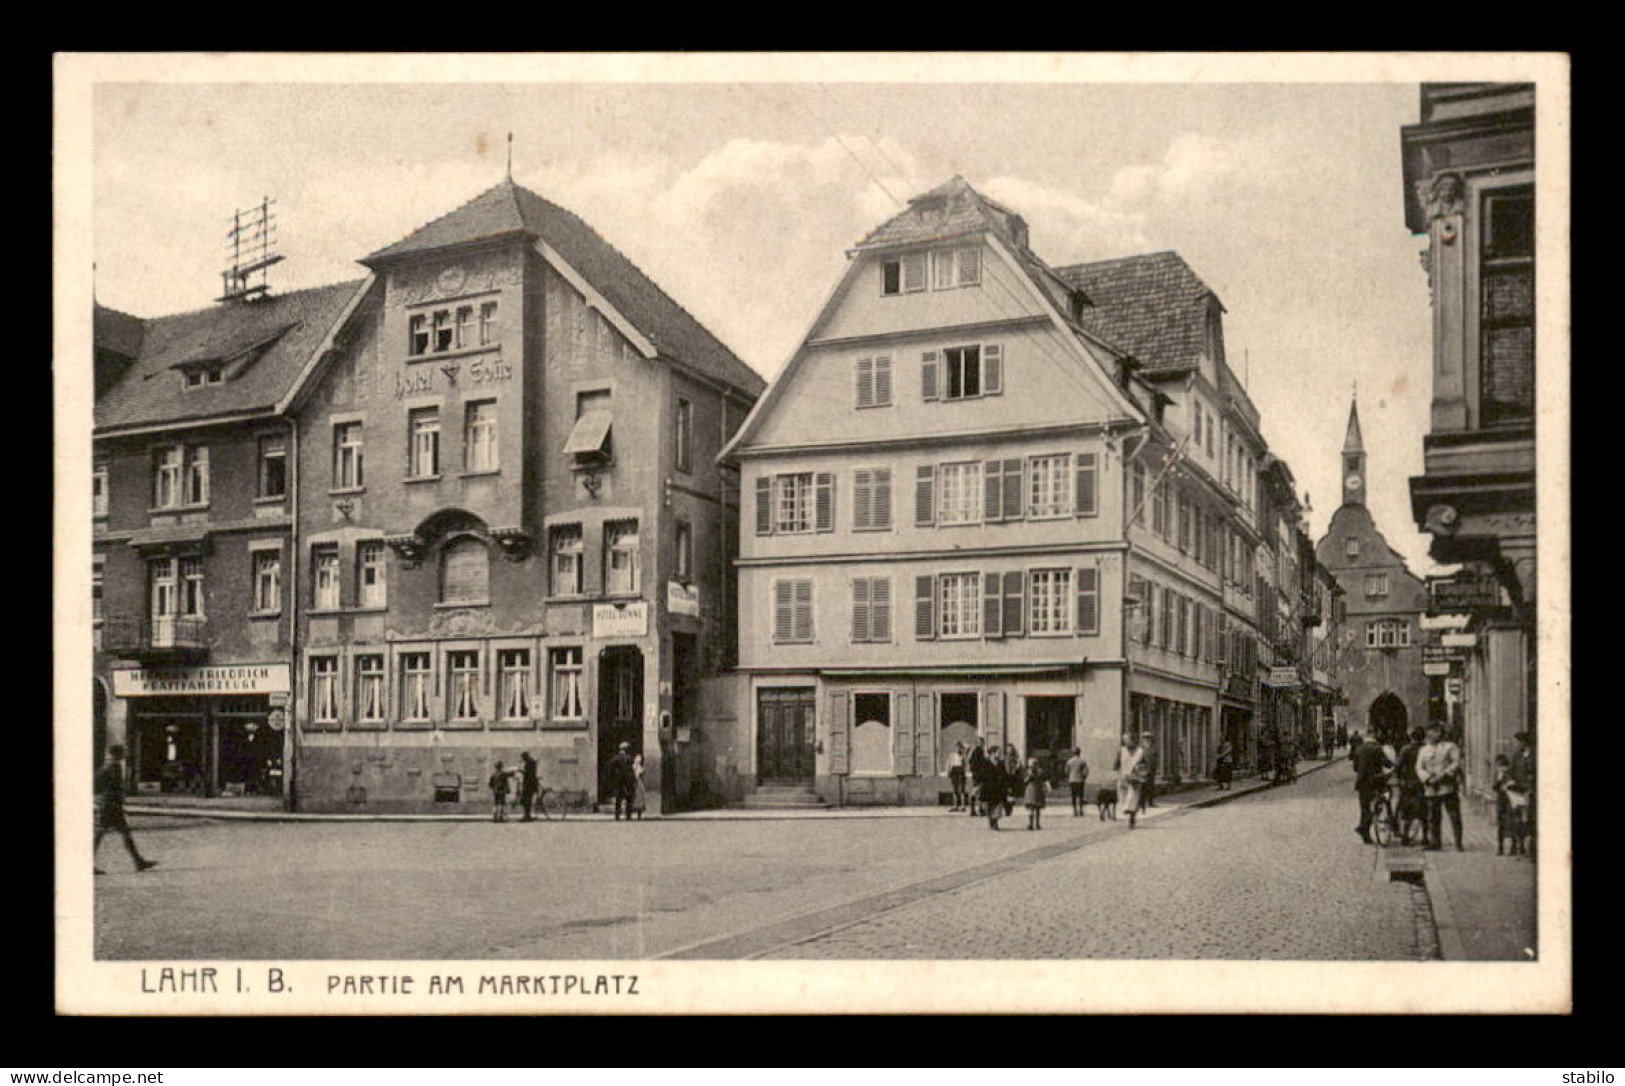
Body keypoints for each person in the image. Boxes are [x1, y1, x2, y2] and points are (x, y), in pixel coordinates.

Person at [94, 745, 157, 874]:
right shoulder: (114, 767)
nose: (126, 754)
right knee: (101, 834)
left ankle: (138, 861)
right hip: (110, 806)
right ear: (118, 754)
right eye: (123, 752)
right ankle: (138, 861)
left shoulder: (109, 766)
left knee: (122, 833)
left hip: (111, 805)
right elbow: (109, 786)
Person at [1416, 722, 1464, 851]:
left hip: (1447, 786)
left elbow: (1456, 763)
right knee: (1433, 816)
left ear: (1440, 732)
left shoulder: (1450, 747)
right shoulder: (1424, 749)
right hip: (1431, 787)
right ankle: (1435, 842)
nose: (1430, 734)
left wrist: (1443, 775)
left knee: (1454, 815)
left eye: (1433, 731)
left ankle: (1458, 842)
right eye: (1429, 732)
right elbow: (1419, 767)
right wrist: (1427, 777)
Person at [1352, 733, 1392, 844]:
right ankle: (1383, 817)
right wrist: (1393, 765)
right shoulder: (1377, 748)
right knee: (1384, 798)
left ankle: (1365, 832)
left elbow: (1355, 768)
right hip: (1376, 781)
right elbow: (1386, 763)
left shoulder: (1359, 749)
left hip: (1362, 783)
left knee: (1364, 807)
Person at [1396, 728, 1426, 845]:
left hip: (1408, 784)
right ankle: (1425, 837)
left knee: (1407, 810)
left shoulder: (1406, 749)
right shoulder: (1425, 749)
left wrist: (1399, 778)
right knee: (1424, 809)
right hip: (1423, 783)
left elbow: (1399, 766)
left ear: (1412, 737)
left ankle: (1405, 836)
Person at [1116, 733, 1150, 830]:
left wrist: (1141, 771)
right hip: (1123, 778)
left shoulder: (1140, 752)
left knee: (1132, 799)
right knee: (1123, 799)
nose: (1126, 742)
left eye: (1128, 740)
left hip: (1135, 779)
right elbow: (1116, 765)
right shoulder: (1121, 751)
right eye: (1124, 740)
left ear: (1133, 740)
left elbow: (1145, 766)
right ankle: (1130, 817)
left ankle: (1131, 818)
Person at [1510, 731, 1536, 855]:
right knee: (1517, 818)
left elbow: (1533, 771)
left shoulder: (1533, 755)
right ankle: (1518, 845)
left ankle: (1530, 845)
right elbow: (1512, 771)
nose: (1515, 744)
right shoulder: (1516, 756)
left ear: (1524, 742)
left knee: (1528, 818)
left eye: (1517, 742)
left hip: (1530, 790)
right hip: (1517, 791)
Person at [978, 747, 1008, 831]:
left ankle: (995, 823)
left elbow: (1005, 776)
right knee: (989, 806)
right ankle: (991, 820)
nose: (999, 754)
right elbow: (981, 776)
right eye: (998, 752)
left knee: (998, 806)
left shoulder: (1001, 764)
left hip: (998, 788)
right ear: (992, 753)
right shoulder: (986, 763)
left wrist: (1006, 786)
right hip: (988, 789)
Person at [608, 741, 636, 821]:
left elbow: (610, 772)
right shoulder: (629, 759)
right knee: (629, 799)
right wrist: (633, 780)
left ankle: (617, 816)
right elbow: (631, 771)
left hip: (618, 783)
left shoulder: (615, 759)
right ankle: (628, 816)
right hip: (627, 783)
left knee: (618, 800)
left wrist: (612, 781)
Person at [1023, 757, 1048, 830]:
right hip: (1038, 790)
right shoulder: (1040, 771)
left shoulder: (1028, 772)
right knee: (1037, 808)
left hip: (1030, 790)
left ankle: (1031, 824)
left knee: (1031, 808)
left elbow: (1025, 781)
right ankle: (1037, 824)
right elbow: (1044, 780)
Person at [1063, 747, 1090, 816]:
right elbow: (1086, 772)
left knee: (1073, 796)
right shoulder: (1082, 761)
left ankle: (1074, 811)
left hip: (1072, 780)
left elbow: (1066, 772)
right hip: (1080, 780)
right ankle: (1081, 810)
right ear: (1079, 753)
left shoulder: (1069, 761)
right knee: (1081, 796)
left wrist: (1069, 777)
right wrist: (1084, 777)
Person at [966, 739, 988, 818]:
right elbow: (982, 763)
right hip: (980, 775)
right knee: (979, 792)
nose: (983, 744)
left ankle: (973, 810)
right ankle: (980, 810)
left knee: (975, 791)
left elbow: (971, 763)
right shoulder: (979, 751)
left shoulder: (974, 751)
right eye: (982, 743)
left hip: (975, 775)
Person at [517, 752, 540, 822]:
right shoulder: (531, 761)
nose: (523, 759)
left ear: (525, 757)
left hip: (529, 784)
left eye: (523, 758)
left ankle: (526, 816)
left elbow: (527, 773)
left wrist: (520, 770)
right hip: (531, 783)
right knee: (528, 800)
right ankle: (527, 815)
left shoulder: (529, 762)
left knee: (526, 800)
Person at [947, 742, 968, 812]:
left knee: (962, 790)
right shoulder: (951, 755)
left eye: (959, 747)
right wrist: (948, 772)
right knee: (954, 790)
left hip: (961, 772)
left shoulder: (963, 755)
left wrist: (963, 745)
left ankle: (963, 806)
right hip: (954, 772)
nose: (958, 749)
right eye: (957, 747)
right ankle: (955, 806)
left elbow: (969, 747)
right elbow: (948, 763)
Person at [630, 753, 647, 821]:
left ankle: (637, 814)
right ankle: (637, 814)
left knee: (638, 798)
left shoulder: (636, 767)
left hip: (638, 783)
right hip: (637, 783)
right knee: (637, 798)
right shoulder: (637, 767)